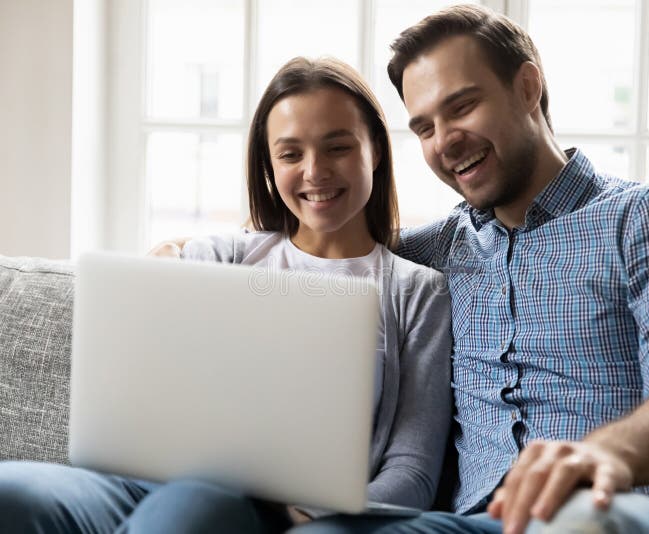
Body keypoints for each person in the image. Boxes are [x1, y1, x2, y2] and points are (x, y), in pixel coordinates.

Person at [287, 5, 649, 534]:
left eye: (462, 107)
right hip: (487, 523)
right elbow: (313, 258)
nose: (444, 141)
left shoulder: (647, 216)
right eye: (424, 128)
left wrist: (601, 454)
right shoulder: (431, 254)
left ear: (528, 87)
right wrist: (196, 252)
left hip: (642, 508)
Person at [0, 57, 453, 533]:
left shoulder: (416, 292)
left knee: (193, 510)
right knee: (13, 491)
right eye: (290, 154)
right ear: (269, 164)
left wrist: (308, 518)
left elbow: (413, 471)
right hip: (137, 483)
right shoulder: (224, 257)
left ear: (375, 150)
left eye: (337, 147)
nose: (315, 171)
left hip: (259, 510)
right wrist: (163, 265)